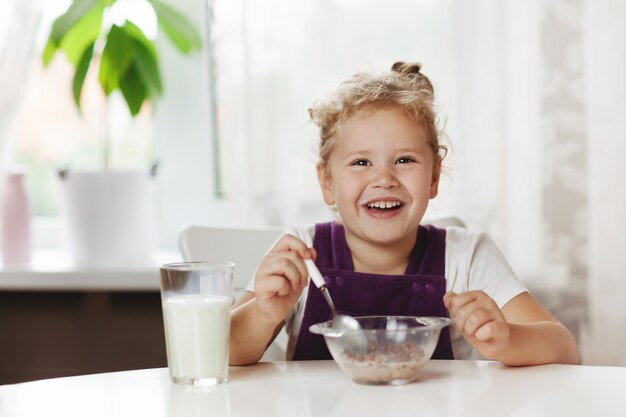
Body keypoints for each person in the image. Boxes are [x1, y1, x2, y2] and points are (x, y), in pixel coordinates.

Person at [229, 62, 579, 366]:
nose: (384, 178)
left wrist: (507, 339)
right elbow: (222, 352)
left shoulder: (467, 257)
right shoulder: (300, 254)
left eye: (405, 160)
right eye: (361, 162)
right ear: (327, 181)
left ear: (434, 177)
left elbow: (563, 349)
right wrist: (263, 313)